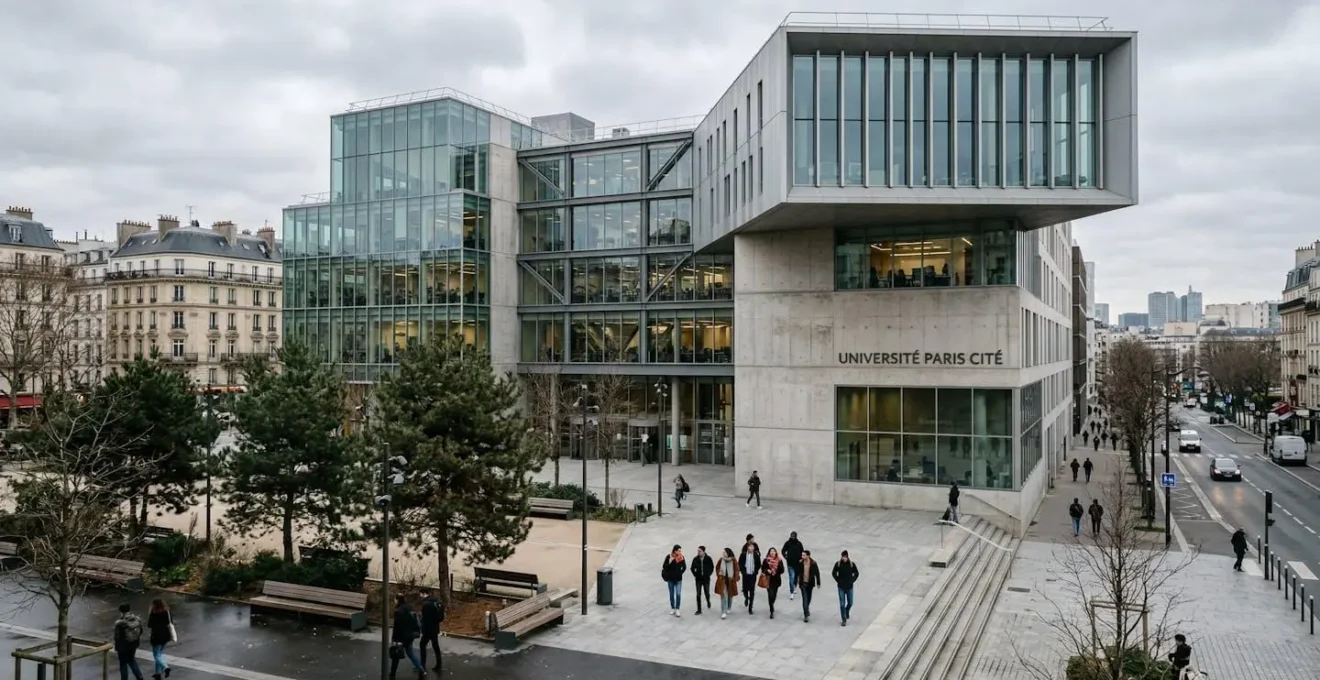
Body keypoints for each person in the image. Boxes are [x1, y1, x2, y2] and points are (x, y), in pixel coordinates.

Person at [390, 595, 425, 678]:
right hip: (409, 636)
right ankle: (421, 669)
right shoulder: (409, 608)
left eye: (395, 599)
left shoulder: (399, 611)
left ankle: (392, 673)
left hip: (400, 637)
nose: (394, 601)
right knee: (410, 653)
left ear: (398, 600)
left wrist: (394, 639)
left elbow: (397, 627)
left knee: (396, 656)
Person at [113, 603, 146, 680]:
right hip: (133, 644)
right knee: (131, 660)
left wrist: (117, 645)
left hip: (123, 646)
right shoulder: (137, 619)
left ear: (121, 611)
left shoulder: (120, 623)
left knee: (123, 664)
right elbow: (141, 631)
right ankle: (139, 677)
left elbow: (117, 636)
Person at [146, 598, 173, 680]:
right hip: (165, 635)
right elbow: (170, 622)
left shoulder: (153, 613)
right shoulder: (167, 611)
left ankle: (165, 667)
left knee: (157, 655)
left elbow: (149, 625)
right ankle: (157, 673)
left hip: (156, 636)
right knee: (160, 653)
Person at [419, 589, 445, 672]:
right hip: (435, 628)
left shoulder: (426, 604)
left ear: (424, 594)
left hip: (427, 629)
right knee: (435, 646)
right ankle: (439, 664)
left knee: (422, 645)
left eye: (421, 594)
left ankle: (422, 664)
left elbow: (425, 618)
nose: (420, 596)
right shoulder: (435, 601)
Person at [831, 550, 859, 626]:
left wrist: (852, 580)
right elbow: (833, 572)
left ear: (847, 557)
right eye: (842, 557)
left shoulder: (851, 564)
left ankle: (847, 610)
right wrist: (837, 580)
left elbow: (856, 573)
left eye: (845, 557)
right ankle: (843, 619)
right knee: (842, 604)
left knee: (850, 602)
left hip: (849, 586)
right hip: (841, 587)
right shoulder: (838, 564)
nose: (844, 558)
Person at [759, 547, 786, 619]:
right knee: (770, 595)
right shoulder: (766, 560)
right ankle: (771, 611)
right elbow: (762, 568)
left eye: (773, 551)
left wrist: (776, 571)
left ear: (776, 552)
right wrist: (767, 570)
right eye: (771, 551)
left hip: (776, 579)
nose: (772, 552)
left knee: (774, 595)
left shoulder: (779, 560)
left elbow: (782, 570)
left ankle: (772, 603)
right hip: (768, 579)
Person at [713, 547, 739, 619]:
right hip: (723, 580)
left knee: (730, 595)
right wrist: (719, 574)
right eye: (723, 552)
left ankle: (729, 607)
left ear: (728, 553)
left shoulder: (733, 560)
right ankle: (723, 611)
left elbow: (736, 569)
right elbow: (717, 567)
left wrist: (736, 577)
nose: (723, 554)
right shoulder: (721, 560)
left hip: (731, 580)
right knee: (723, 595)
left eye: (725, 552)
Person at [662, 544, 687, 616]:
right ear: (675, 551)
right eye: (679, 551)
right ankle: (673, 608)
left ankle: (677, 608)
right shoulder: (669, 557)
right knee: (671, 594)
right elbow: (664, 567)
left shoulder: (681, 557)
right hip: (670, 579)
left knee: (678, 594)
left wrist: (680, 573)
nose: (680, 552)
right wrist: (669, 562)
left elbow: (684, 567)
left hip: (678, 579)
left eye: (680, 551)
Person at [739, 535, 762, 614]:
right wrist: (743, 571)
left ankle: (750, 607)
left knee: (752, 590)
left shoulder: (756, 555)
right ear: (748, 547)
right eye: (750, 547)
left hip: (752, 575)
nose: (751, 548)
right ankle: (746, 597)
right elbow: (740, 564)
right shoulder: (743, 555)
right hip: (745, 575)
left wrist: (756, 571)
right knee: (745, 589)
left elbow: (759, 564)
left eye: (752, 547)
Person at [798, 549, 821, 622]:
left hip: (810, 583)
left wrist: (818, 582)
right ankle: (806, 615)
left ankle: (806, 608)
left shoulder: (813, 563)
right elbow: (798, 572)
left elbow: (817, 573)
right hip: (803, 583)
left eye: (804, 555)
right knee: (805, 598)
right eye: (802, 555)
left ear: (808, 556)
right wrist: (796, 581)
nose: (802, 556)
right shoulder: (800, 562)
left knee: (809, 598)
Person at [691, 545, 714, 614]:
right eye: (698, 551)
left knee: (707, 592)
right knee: (698, 594)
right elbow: (692, 568)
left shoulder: (708, 558)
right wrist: (695, 574)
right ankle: (699, 609)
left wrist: (708, 574)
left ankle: (708, 601)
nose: (698, 552)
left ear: (703, 551)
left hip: (706, 579)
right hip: (698, 579)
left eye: (700, 551)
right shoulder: (695, 559)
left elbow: (712, 567)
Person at [781, 531, 804, 601]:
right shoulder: (788, 543)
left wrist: (801, 559)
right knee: (791, 577)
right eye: (792, 536)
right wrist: (786, 557)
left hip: (797, 564)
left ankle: (794, 586)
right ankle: (791, 592)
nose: (793, 537)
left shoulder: (799, 544)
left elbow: (802, 552)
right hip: (790, 563)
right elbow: (783, 550)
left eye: (794, 536)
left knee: (796, 577)